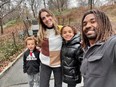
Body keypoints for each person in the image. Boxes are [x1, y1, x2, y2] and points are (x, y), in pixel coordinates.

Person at [80, 9, 116, 87]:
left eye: (93, 21)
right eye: (84, 24)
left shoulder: (112, 44)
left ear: (103, 24)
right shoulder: (87, 49)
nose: (87, 26)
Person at [37, 8, 62, 87]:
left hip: (58, 63)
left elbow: (73, 38)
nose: (47, 19)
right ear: (41, 21)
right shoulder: (40, 33)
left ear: (52, 16)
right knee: (43, 85)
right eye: (43, 18)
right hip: (45, 63)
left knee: (58, 85)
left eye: (48, 16)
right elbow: (39, 45)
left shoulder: (61, 29)